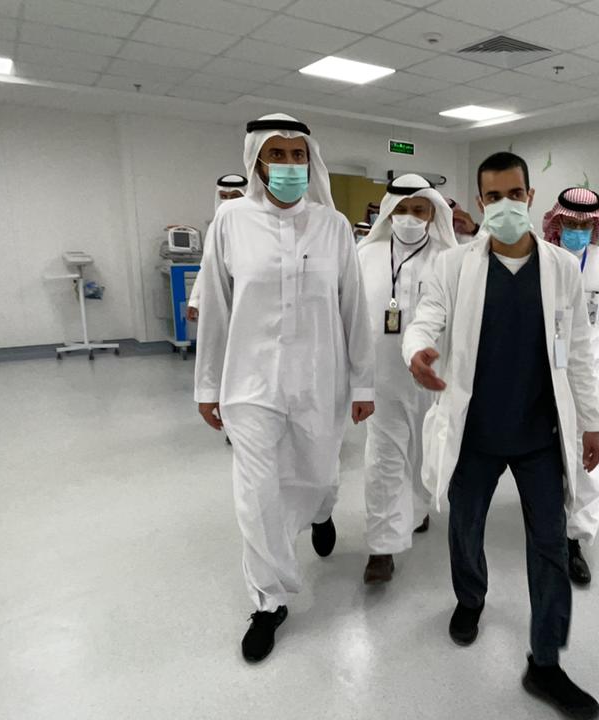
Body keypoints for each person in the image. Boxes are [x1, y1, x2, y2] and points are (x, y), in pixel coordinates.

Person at [403, 152, 599, 718]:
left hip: (539, 434)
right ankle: (470, 598)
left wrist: (590, 422)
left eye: (515, 194)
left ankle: (546, 662)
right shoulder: (454, 267)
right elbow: (425, 319)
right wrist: (416, 350)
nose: (505, 205)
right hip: (475, 433)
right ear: (480, 201)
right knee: (465, 528)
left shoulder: (561, 268)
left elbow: (579, 351)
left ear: (531, 196)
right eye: (493, 197)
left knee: (550, 545)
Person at [194, 113, 374, 663]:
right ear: (257, 161)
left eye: (298, 155)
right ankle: (268, 601)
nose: (290, 165)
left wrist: (363, 381)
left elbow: (354, 308)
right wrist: (207, 385)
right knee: (256, 493)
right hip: (249, 383)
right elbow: (216, 307)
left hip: (320, 378)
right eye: (277, 154)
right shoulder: (230, 222)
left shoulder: (333, 226)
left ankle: (321, 509)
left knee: (318, 472)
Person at [356, 174, 458, 585]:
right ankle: (381, 548)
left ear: (433, 212)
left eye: (419, 209)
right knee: (384, 460)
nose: (410, 217)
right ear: (387, 213)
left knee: (423, 453)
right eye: (401, 209)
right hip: (381, 379)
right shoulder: (365, 255)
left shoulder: (448, 259)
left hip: (433, 380)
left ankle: (415, 511)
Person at [541, 187, 599, 586]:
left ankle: (574, 539)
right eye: (569, 223)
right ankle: (544, 519)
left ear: (596, 226)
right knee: (543, 447)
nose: (576, 230)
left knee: (585, 452)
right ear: (556, 221)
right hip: (541, 368)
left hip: (584, 371)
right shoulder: (541, 258)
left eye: (584, 225)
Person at [187, 174, 247, 322]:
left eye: (234, 196)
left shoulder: (256, 225)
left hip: (249, 295)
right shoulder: (215, 228)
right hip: (223, 295)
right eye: (223, 196)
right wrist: (195, 300)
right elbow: (208, 266)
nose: (228, 201)